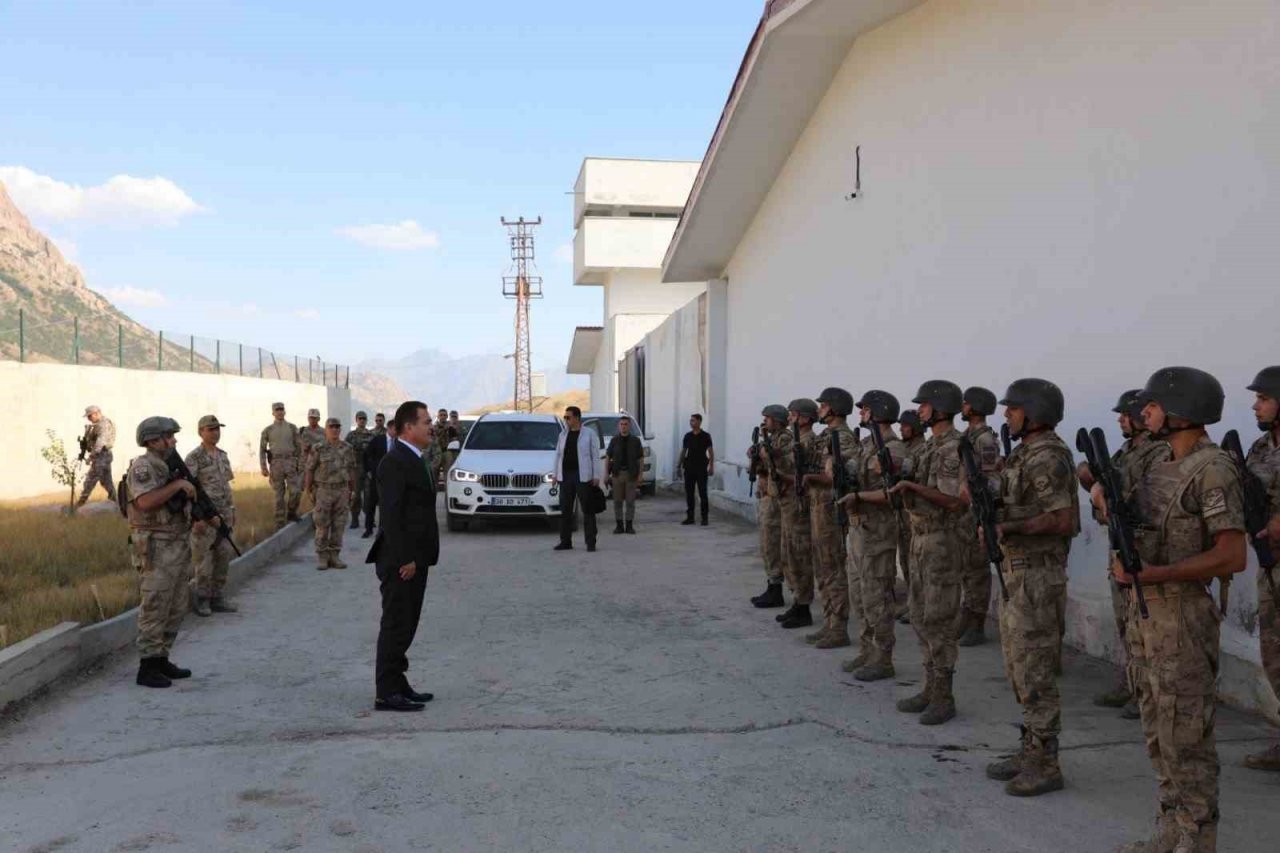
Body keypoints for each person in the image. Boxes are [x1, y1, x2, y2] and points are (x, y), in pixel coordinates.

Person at [1104, 368, 1245, 852]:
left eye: (1154, 404)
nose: (1145, 412)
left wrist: (1154, 575)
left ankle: (1199, 840)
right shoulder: (1160, 461)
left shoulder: (1214, 468)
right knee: (1157, 731)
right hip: (1146, 615)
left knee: (1186, 737)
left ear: (1181, 408)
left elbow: (1232, 555)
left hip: (1181, 614)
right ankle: (1171, 833)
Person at [982, 378, 1078, 797]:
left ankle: (1046, 763)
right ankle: (1030, 750)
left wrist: (1009, 525)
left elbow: (1063, 520)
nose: (1007, 414)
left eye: (1014, 408)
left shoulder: (1048, 458)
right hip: (1017, 572)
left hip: (1037, 577)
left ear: (1034, 412)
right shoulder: (1023, 454)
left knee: (1036, 670)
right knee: (1018, 667)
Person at [888, 380, 967, 726]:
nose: (919, 410)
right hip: (919, 538)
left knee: (940, 619)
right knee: (919, 615)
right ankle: (930, 685)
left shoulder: (954, 448)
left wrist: (912, 487)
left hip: (942, 541)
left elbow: (955, 501)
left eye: (924, 405)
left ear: (940, 409)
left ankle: (944, 695)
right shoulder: (927, 447)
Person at [1077, 389, 1152, 720]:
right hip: (1119, 547)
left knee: (1143, 626)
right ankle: (1131, 682)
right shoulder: (1123, 452)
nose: (1121, 419)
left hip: (1143, 549)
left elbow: (1139, 500)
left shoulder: (1156, 452)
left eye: (1125, 414)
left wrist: (1101, 490)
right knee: (1126, 624)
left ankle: (1146, 692)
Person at [366, 400, 439, 712]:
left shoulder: (414, 457)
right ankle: (386, 691)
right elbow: (392, 516)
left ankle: (399, 682)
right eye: (425, 421)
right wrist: (405, 557)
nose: (430, 426)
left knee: (407, 623)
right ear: (409, 427)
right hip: (401, 560)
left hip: (416, 557)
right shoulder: (394, 461)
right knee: (396, 624)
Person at [125, 417, 197, 689]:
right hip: (155, 547)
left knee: (176, 605)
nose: (174, 440)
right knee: (155, 606)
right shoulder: (143, 467)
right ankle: (147, 666)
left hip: (176, 544)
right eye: (169, 436)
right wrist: (177, 486)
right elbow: (144, 502)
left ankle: (161, 658)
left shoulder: (168, 466)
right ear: (153, 440)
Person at [839, 390, 905, 681]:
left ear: (879, 412)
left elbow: (893, 494)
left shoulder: (895, 449)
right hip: (858, 530)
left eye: (865, 409)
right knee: (859, 594)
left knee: (878, 596)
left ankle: (883, 657)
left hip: (878, 534)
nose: (861, 413)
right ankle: (867, 650)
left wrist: (858, 496)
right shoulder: (866, 444)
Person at [801, 387, 858, 650]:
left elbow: (836, 476)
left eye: (823, 405)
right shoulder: (826, 435)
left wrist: (812, 478)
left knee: (833, 567)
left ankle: (839, 627)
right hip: (817, 508)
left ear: (834, 408)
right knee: (822, 567)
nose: (820, 409)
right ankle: (829, 621)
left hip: (830, 509)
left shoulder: (843, 438)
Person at [1244, 366, 1280, 773]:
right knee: (1274, 656)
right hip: (1269, 564)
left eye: (1264, 398)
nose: (1256, 405)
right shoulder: (1259, 448)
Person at [956, 386, 1004, 646]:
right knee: (966, 567)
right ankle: (967, 614)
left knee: (977, 568)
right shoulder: (967, 436)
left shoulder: (985, 439)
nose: (962, 407)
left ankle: (976, 623)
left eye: (966, 403)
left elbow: (990, 476)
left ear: (975, 406)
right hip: (964, 512)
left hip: (976, 510)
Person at [771, 400, 818, 629]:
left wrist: (778, 464)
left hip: (801, 505)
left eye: (794, 415)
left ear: (806, 418)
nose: (790, 418)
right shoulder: (798, 439)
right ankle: (798, 603)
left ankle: (803, 606)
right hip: (791, 501)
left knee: (800, 556)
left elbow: (800, 473)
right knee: (789, 554)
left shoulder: (809, 441)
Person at [185, 415, 238, 617]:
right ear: (201, 432)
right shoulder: (194, 457)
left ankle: (217, 597)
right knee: (204, 562)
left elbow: (227, 487)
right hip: (204, 518)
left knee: (223, 556)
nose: (215, 432)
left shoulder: (223, 456)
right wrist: (195, 518)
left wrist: (232, 510)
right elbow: (188, 491)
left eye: (217, 428)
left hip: (224, 516)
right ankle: (202, 599)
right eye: (210, 429)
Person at [304, 418, 357, 570]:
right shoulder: (318, 448)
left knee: (339, 524)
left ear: (340, 429)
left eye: (337, 426)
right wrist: (308, 489)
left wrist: (353, 490)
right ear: (326, 429)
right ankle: (322, 556)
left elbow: (352, 469)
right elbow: (309, 469)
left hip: (342, 490)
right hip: (323, 490)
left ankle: (334, 555)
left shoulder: (347, 448)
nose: (334, 429)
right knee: (322, 524)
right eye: (331, 426)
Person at [749, 405, 788, 607]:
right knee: (766, 545)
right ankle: (771, 586)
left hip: (777, 499)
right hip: (768, 496)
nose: (764, 422)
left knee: (773, 544)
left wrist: (765, 455)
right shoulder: (771, 439)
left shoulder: (785, 439)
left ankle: (776, 590)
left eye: (768, 418)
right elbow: (766, 469)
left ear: (778, 420)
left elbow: (780, 465)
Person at [554, 406, 604, 552]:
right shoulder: (563, 435)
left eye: (568, 417)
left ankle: (590, 542)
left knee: (587, 510)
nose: (566, 420)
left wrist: (596, 476)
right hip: (565, 476)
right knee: (565, 510)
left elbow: (595, 456)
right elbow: (558, 455)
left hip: (583, 477)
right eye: (565, 417)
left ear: (577, 418)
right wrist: (556, 475)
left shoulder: (589, 434)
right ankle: (565, 541)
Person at [896, 410, 927, 624]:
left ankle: (920, 604)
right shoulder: (905, 448)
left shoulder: (922, 449)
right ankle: (911, 602)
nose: (901, 428)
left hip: (915, 513)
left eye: (905, 425)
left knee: (916, 563)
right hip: (902, 511)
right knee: (905, 560)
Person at [259, 402, 302, 528]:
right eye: (277, 410)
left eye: (281, 409)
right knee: (279, 496)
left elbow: (299, 446)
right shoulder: (268, 430)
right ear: (273, 413)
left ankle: (292, 512)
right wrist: (263, 467)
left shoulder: (292, 428)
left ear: (285, 411)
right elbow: (262, 449)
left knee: (295, 491)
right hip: (276, 464)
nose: (280, 412)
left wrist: (298, 462)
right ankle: (279, 523)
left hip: (290, 462)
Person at [606, 415, 644, 535]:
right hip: (617, 474)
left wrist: (640, 474)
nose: (623, 426)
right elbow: (608, 456)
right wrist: (606, 474)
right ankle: (619, 526)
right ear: (619, 426)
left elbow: (641, 458)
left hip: (631, 474)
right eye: (621, 424)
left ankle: (629, 526)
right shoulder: (614, 440)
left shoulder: (635, 441)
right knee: (617, 501)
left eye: (626, 424)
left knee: (630, 501)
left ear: (629, 426)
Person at [362, 420, 398, 538]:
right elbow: (366, 455)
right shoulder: (378, 440)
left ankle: (383, 530)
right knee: (371, 503)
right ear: (389, 428)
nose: (396, 431)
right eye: (395, 429)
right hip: (376, 477)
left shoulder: (398, 442)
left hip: (392, 479)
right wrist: (368, 470)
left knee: (386, 504)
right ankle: (368, 529)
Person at [677, 414, 714, 525]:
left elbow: (711, 452)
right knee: (689, 493)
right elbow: (683, 451)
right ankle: (690, 517)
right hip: (689, 468)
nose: (691, 422)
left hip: (701, 468)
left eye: (693, 421)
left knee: (703, 493)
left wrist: (711, 466)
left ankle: (704, 517)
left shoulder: (706, 436)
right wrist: (678, 466)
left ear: (699, 422)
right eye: (690, 421)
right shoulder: (688, 436)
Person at [77, 405, 117, 506]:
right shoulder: (100, 424)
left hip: (101, 456)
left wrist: (91, 457)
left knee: (90, 479)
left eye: (90, 416)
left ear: (96, 413)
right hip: (103, 455)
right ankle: (118, 503)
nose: (89, 418)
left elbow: (100, 443)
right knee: (106, 482)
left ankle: (79, 504)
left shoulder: (103, 424)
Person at [344, 412, 374, 529]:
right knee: (355, 495)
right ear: (356, 420)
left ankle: (369, 518)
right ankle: (355, 519)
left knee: (368, 495)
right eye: (360, 419)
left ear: (366, 420)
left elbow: (374, 452)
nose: (362, 420)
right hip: (355, 469)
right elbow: (345, 451)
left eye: (364, 419)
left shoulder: (371, 436)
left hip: (367, 469)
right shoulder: (351, 435)